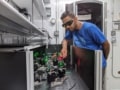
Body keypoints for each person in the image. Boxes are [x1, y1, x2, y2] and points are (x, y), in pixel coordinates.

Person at [60, 11, 110, 90]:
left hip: (97, 65)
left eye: (69, 23)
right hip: (85, 64)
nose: (67, 27)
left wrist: (103, 58)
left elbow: (106, 44)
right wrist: (64, 48)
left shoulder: (90, 28)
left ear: (76, 19)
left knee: (97, 86)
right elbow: (65, 39)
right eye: (64, 25)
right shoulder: (71, 30)